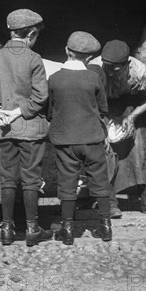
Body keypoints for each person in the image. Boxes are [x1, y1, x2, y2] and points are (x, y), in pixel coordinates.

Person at [0, 9, 52, 246]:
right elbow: (41, 97)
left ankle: (7, 230)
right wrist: (19, 112)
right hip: (30, 128)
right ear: (30, 33)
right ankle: (32, 229)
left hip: (4, 130)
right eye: (36, 35)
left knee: (8, 179)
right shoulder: (34, 59)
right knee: (31, 179)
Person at [48, 31, 112, 245]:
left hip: (65, 139)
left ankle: (67, 228)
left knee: (67, 181)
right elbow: (103, 108)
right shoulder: (93, 77)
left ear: (67, 51)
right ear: (89, 57)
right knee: (99, 180)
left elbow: (50, 111)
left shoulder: (55, 79)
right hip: (92, 138)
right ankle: (105, 226)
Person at [99, 39, 146, 215]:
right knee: (105, 151)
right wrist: (102, 119)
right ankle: (109, 204)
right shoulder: (95, 69)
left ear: (127, 64)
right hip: (104, 106)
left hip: (131, 104)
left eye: (115, 69)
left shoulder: (141, 72)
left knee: (141, 150)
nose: (110, 73)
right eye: (107, 67)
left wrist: (132, 117)